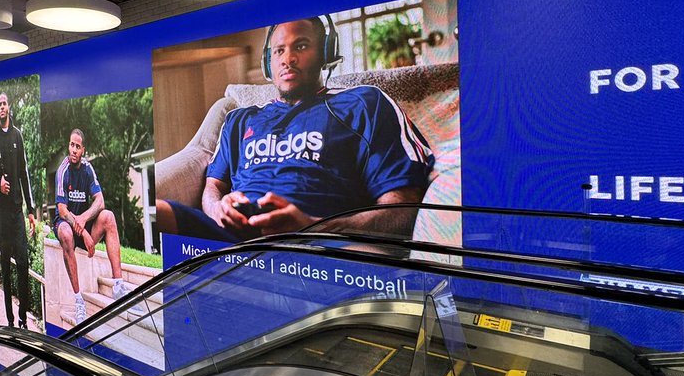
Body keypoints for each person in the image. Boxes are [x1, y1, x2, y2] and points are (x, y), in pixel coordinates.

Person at [156, 16, 435, 243]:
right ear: (268, 61)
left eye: (300, 46)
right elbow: (212, 186)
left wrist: (313, 227)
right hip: (231, 240)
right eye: (279, 50)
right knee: (160, 213)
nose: (287, 59)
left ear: (325, 52)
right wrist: (218, 210)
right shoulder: (239, 119)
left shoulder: (365, 103)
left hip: (316, 247)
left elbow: (402, 207)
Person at [53, 129, 131, 325]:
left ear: (83, 150)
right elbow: (62, 210)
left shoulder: (88, 169)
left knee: (109, 217)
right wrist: (84, 234)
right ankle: (79, 300)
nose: (73, 150)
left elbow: (100, 201)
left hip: (81, 223)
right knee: (66, 233)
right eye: (71, 145)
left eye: (77, 147)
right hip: (66, 224)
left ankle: (118, 286)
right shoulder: (63, 170)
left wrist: (85, 219)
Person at [0, 92, 37, 329]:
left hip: (17, 212)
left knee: (23, 263)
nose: (2, 107)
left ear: (9, 107)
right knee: (5, 266)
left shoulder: (18, 136)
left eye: (5, 103)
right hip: (2, 214)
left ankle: (23, 318)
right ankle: (10, 320)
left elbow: (24, 173)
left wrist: (31, 210)